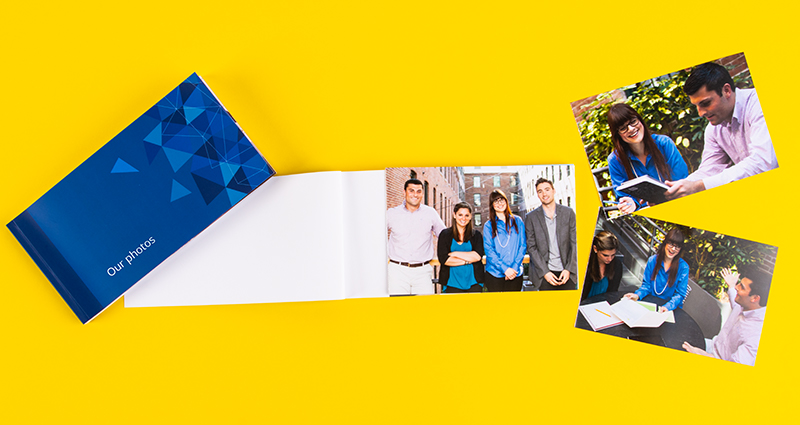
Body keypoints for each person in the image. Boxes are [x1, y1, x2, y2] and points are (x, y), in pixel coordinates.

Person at [665, 62, 778, 200]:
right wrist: (676, 188)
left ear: (726, 90)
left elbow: (764, 163)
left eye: (705, 103)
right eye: (696, 106)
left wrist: (700, 186)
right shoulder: (713, 129)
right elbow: (710, 169)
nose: (700, 113)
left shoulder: (759, 105)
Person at [606, 103, 689, 214]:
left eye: (633, 121)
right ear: (617, 134)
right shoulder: (615, 160)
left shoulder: (664, 143)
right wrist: (631, 203)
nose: (631, 129)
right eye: (623, 128)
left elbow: (681, 180)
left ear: (640, 120)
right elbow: (624, 196)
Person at [682, 267, 770, 366]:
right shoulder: (745, 306)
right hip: (710, 346)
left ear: (754, 298)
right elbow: (735, 302)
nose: (737, 287)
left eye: (742, 287)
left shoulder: (756, 337)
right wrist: (731, 285)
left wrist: (703, 355)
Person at [386, 179, 446, 295]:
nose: (415, 194)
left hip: (423, 271)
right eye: (411, 190)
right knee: (398, 309)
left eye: (419, 191)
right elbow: (377, 236)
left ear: (422, 194)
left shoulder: (430, 213)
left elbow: (444, 236)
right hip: (397, 271)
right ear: (404, 192)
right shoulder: (391, 213)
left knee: (425, 309)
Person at [525, 178, 578, 291]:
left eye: (547, 189)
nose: (544, 194)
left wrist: (568, 269)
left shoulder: (568, 213)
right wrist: (545, 272)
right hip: (544, 275)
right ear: (538, 195)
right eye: (540, 191)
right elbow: (531, 247)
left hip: (567, 273)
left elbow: (575, 243)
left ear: (553, 191)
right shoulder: (531, 217)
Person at [623, 228, 689, 312]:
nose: (673, 249)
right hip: (650, 303)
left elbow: (680, 294)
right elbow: (646, 285)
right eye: (671, 244)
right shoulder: (652, 260)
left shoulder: (683, 267)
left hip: (670, 308)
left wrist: (667, 307)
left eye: (677, 247)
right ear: (665, 243)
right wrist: (637, 295)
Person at [482, 189, 526, 292]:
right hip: (495, 275)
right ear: (492, 205)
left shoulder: (518, 221)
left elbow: (522, 246)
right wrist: (505, 269)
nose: (499, 203)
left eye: (501, 200)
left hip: (515, 274)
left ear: (506, 201)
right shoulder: (488, 226)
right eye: (496, 201)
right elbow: (489, 251)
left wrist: (513, 268)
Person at [437, 202, 485, 293]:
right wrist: (468, 260)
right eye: (460, 215)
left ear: (470, 217)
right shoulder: (445, 234)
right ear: (454, 215)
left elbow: (478, 256)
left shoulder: (476, 235)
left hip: (474, 283)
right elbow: (444, 259)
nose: (463, 218)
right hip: (451, 283)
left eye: (467, 215)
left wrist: (455, 254)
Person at [580, 231, 622, 300]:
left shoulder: (616, 265)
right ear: (595, 249)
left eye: (613, 255)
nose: (610, 259)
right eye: (605, 255)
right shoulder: (585, 264)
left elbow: (613, 291)